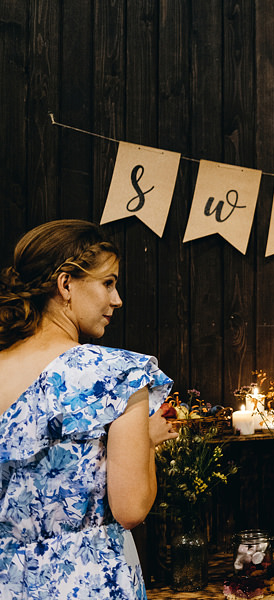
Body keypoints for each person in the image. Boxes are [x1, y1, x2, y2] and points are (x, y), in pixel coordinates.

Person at [0, 220, 178, 599]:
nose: (117, 299)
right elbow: (130, 508)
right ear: (66, 284)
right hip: (88, 582)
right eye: (108, 283)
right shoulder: (115, 375)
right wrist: (144, 440)